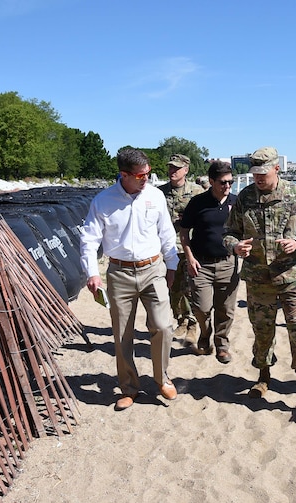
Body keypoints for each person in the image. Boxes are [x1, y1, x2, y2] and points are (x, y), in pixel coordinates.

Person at [223, 146, 296, 412]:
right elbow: (228, 233)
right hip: (258, 278)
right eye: (255, 172)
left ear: (276, 169)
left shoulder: (295, 194)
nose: (258, 178)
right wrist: (235, 246)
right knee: (262, 331)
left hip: (291, 276)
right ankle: (263, 377)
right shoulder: (244, 197)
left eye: (263, 173)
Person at [80, 148, 179, 411]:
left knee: (163, 325)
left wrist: (172, 266)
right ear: (123, 174)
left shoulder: (155, 196)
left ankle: (162, 378)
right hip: (119, 273)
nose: (146, 179)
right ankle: (129, 387)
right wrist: (92, 273)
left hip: (153, 269)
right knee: (123, 333)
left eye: (147, 173)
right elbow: (89, 240)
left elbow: (166, 233)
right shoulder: (103, 201)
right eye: (140, 175)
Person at [180, 161, 239, 364]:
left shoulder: (236, 202)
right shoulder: (197, 203)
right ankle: (205, 334)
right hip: (201, 265)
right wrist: (189, 257)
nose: (227, 186)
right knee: (202, 309)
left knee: (226, 310)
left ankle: (222, 345)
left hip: (228, 263)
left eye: (231, 182)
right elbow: (185, 232)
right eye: (223, 182)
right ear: (212, 181)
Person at [159, 153, 204, 349]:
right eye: (170, 167)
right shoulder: (159, 193)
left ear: (186, 170)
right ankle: (181, 320)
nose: (172, 171)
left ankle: (192, 324)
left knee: (190, 287)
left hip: (189, 247)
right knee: (173, 288)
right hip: (167, 248)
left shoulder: (197, 192)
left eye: (176, 168)